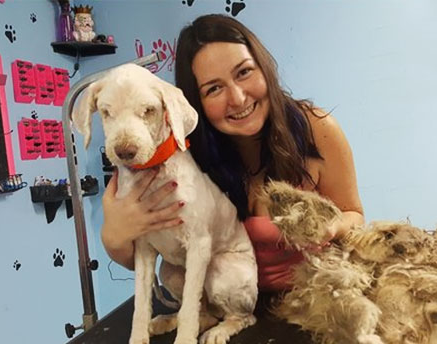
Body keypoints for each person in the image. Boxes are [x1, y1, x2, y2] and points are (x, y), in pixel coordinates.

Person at [100, 14, 364, 292]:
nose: (237, 98)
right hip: (226, 309)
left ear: (263, 67)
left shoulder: (316, 129)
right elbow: (142, 257)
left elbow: (354, 214)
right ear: (196, 102)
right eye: (214, 88)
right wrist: (114, 236)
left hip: (315, 300)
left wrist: (331, 227)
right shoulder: (184, 160)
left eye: (244, 72)